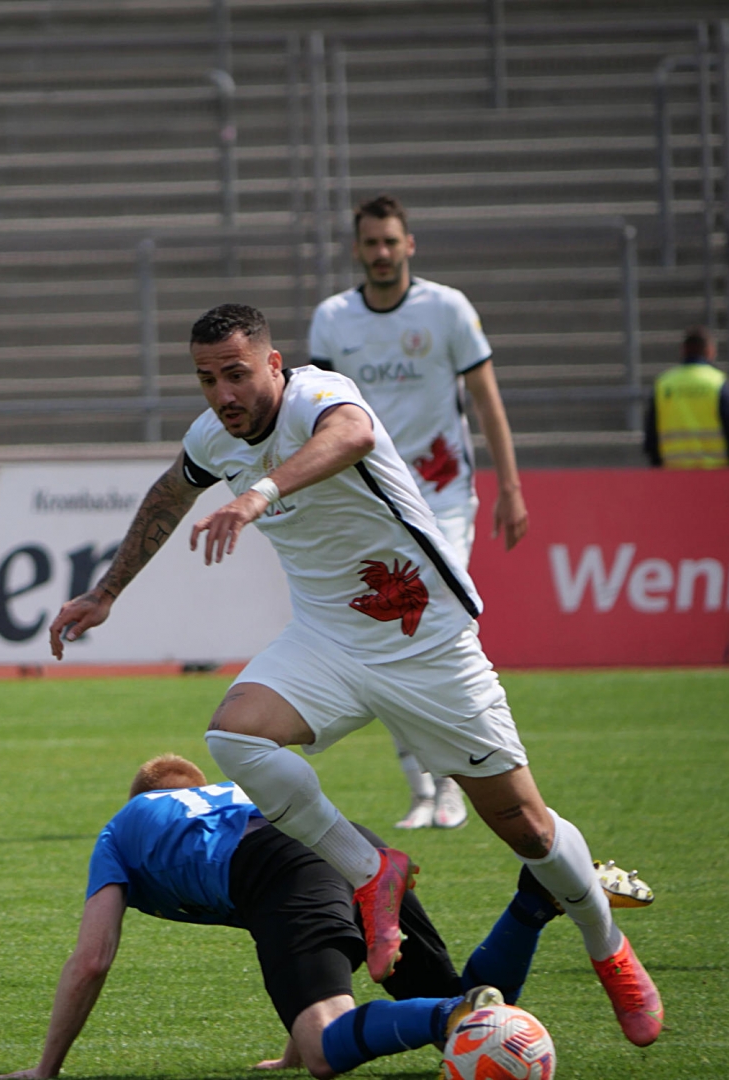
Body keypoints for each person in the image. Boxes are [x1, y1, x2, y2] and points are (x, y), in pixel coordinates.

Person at [49, 303, 662, 1048]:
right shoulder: (214, 436)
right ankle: (373, 872)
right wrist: (107, 592)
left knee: (527, 827)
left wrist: (259, 493)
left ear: (274, 365)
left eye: (237, 374)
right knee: (235, 735)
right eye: (207, 379)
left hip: (423, 639)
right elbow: (170, 495)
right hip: (328, 641)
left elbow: (355, 435)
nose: (223, 395)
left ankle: (610, 952)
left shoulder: (319, 397)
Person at [0, 753, 563, 1080]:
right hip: (354, 845)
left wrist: (44, 1071)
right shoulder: (229, 793)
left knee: (326, 1051)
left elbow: (92, 959)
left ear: (136, 799)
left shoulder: (121, 830)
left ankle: (453, 1011)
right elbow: (286, 930)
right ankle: (530, 906)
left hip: (278, 867)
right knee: (461, 1021)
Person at [309, 194, 528, 831]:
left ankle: (457, 782)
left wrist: (511, 487)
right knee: (388, 638)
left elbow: (486, 400)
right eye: (370, 242)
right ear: (357, 249)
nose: (381, 253)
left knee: (428, 623)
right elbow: (316, 418)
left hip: (444, 494)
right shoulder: (333, 320)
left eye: (390, 241)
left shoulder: (447, 309)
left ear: (410, 245)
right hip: (370, 502)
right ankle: (425, 788)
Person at [644, 325, 729, 468]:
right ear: (710, 351)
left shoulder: (664, 385)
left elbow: (651, 438)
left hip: (673, 478)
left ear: (683, 351)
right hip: (716, 477)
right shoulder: (719, 384)